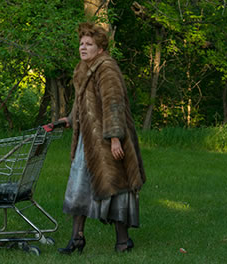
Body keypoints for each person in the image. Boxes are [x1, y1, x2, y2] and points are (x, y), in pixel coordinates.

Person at [57, 22, 146, 254]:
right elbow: (82, 103)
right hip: (88, 141)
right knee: (79, 186)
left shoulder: (106, 68)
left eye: (89, 44)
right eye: (81, 44)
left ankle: (122, 241)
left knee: (115, 188)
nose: (83, 48)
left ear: (101, 49)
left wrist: (115, 138)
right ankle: (77, 238)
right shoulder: (84, 67)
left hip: (107, 141)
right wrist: (69, 119)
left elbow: (113, 103)